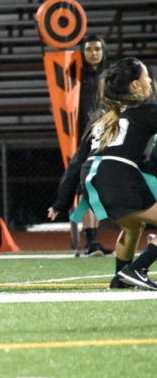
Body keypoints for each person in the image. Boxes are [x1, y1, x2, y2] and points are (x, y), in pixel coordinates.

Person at [47, 57, 156, 290]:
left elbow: (76, 163)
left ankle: (120, 278)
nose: (150, 81)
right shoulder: (147, 110)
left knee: (133, 226)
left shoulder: (102, 119)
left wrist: (61, 201)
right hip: (118, 174)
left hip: (93, 178)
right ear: (136, 85)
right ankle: (138, 268)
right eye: (146, 76)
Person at [74, 34, 113, 257]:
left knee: (96, 189)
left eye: (97, 49)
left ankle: (93, 240)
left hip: (106, 138)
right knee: (85, 189)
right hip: (82, 140)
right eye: (89, 49)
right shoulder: (76, 77)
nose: (94, 53)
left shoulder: (110, 77)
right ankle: (90, 240)